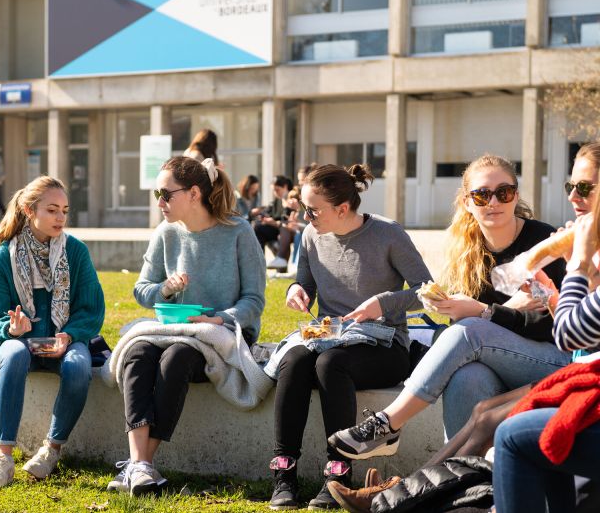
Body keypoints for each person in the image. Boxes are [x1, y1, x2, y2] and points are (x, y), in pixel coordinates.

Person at [327, 143, 600, 511]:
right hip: (508, 359)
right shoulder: (466, 248)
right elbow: (447, 299)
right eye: (482, 194)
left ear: (516, 195)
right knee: (469, 378)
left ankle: (388, 429)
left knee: (469, 332)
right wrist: (432, 306)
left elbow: (562, 330)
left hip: (562, 362)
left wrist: (490, 312)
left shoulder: (548, 240)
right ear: (468, 201)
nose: (494, 202)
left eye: (504, 192)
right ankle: (434, 498)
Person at [268, 163, 433, 511]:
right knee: (294, 360)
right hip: (331, 335)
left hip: (385, 344)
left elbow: (428, 292)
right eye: (304, 209)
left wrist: (382, 303)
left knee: (331, 365)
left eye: (313, 210)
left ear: (342, 209)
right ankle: (284, 472)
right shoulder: (311, 235)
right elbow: (306, 281)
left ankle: (338, 473)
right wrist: (297, 290)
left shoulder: (388, 234)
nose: (306, 216)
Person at [109, 156, 265, 496]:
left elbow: (253, 301)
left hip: (221, 334)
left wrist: (219, 318)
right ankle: (141, 463)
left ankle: (139, 466)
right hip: (173, 328)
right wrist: (166, 288)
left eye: (166, 194)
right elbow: (142, 290)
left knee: (176, 358)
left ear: (194, 193)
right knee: (137, 352)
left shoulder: (239, 232)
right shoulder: (165, 233)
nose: (160, 203)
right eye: (157, 194)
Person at [0, 175, 105, 488]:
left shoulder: (75, 252)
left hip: (65, 339)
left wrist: (69, 335)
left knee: (78, 365)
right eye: (52, 210)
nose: (61, 217)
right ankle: (3, 458)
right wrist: (11, 328)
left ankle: (51, 450)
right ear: (29, 209)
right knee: (15, 355)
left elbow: (91, 308)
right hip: (18, 340)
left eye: (65, 210)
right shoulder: (4, 256)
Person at [493, 202, 600, 513]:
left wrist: (577, 265)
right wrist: (550, 289)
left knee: (508, 432)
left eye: (586, 188)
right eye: (571, 187)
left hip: (581, 379)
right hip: (583, 377)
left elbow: (570, 336)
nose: (574, 199)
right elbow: (581, 328)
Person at [254, 175, 294, 270]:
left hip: (287, 229)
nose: (275, 192)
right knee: (257, 226)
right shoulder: (277, 201)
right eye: (273, 190)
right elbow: (268, 211)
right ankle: (259, 261)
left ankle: (260, 262)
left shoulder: (291, 199)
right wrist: (264, 218)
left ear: (285, 186)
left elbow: (286, 220)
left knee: (258, 229)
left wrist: (273, 222)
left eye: (277, 189)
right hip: (277, 229)